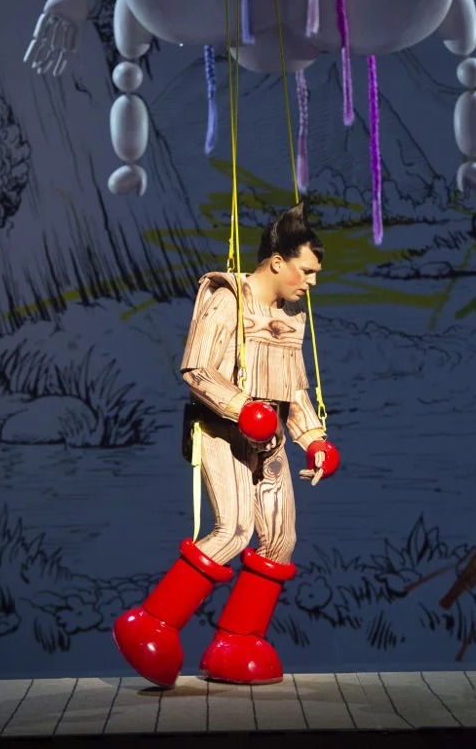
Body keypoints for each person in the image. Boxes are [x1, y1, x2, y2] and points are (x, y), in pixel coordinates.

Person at [113, 201, 340, 687]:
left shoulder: (292, 315)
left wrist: (313, 438)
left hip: (270, 435)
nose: (311, 282)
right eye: (306, 271)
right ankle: (152, 623)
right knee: (235, 530)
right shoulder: (226, 298)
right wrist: (242, 407)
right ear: (277, 262)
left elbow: (295, 388)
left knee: (280, 539)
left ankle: (238, 642)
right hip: (223, 429)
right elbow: (197, 369)